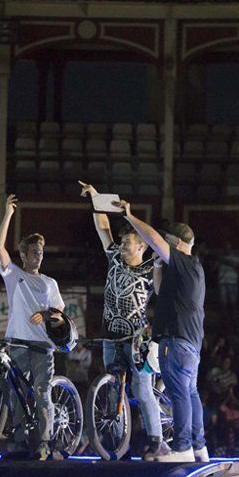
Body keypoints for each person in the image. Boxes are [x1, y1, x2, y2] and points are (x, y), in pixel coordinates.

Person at [79, 181, 168, 460]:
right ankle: (117, 441)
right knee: (111, 387)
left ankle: (157, 441)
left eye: (127, 241)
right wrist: (95, 198)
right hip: (110, 335)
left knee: (141, 389)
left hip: (136, 339)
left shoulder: (150, 267)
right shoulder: (115, 258)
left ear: (141, 244)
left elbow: (162, 292)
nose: (122, 244)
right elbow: (102, 227)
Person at [114, 199, 207, 462]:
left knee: (178, 393)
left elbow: (153, 238)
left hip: (175, 339)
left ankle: (182, 448)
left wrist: (131, 217)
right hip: (190, 341)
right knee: (190, 392)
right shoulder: (192, 268)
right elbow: (158, 290)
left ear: (177, 243)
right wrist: (156, 265)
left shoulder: (182, 260)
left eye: (168, 241)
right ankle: (199, 447)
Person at [0, 194, 64, 461]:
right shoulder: (14, 275)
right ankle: (22, 440)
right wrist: (8, 214)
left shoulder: (49, 282)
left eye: (41, 252)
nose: (38, 256)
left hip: (43, 345)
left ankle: (45, 442)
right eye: (34, 252)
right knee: (17, 394)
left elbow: (59, 312)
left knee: (42, 391)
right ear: (23, 255)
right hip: (18, 343)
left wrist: (46, 314)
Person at [216, 240, 239, 319]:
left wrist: (228, 262)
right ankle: (224, 319)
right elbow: (213, 268)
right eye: (225, 247)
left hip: (232, 282)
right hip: (222, 281)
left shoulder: (236, 257)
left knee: (233, 302)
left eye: (228, 246)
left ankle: (233, 319)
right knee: (223, 302)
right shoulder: (220, 257)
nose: (227, 248)